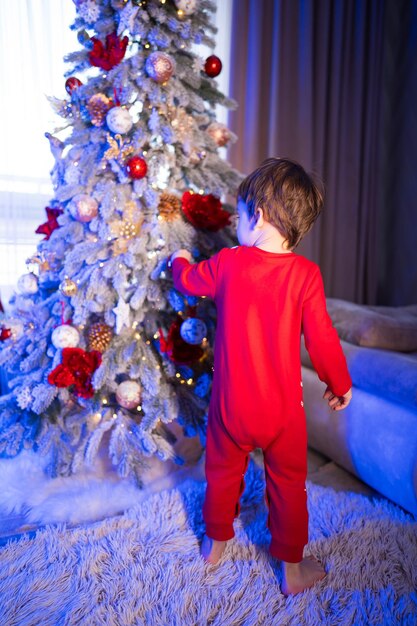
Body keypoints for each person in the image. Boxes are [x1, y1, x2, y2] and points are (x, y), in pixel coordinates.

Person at [167, 158, 352, 596]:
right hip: (284, 410)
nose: (237, 224)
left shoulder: (229, 263)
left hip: (231, 405)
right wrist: (339, 382)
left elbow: (188, 282)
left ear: (260, 215)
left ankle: (214, 544)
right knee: (288, 483)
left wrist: (177, 259)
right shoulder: (306, 275)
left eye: (241, 214)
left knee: (223, 471)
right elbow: (322, 338)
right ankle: (291, 568)